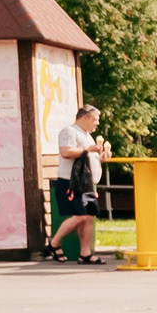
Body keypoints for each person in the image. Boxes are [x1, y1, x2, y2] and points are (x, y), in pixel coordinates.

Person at [48, 104, 109, 263]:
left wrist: (101, 157)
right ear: (85, 117)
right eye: (95, 119)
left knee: (89, 217)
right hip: (72, 182)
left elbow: (89, 157)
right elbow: (66, 152)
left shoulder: (87, 135)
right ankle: (54, 243)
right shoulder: (70, 131)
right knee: (80, 216)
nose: (97, 123)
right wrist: (88, 150)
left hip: (87, 184)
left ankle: (85, 254)